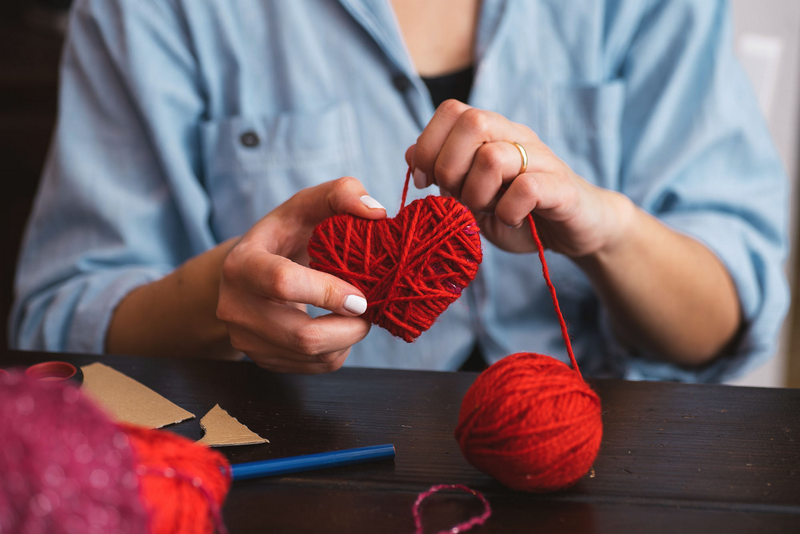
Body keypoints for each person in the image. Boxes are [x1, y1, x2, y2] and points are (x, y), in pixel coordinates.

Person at [11, 0, 789, 381]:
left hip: (593, 468)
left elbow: (728, 319)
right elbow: (54, 320)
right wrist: (216, 296)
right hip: (300, 473)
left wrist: (605, 229)